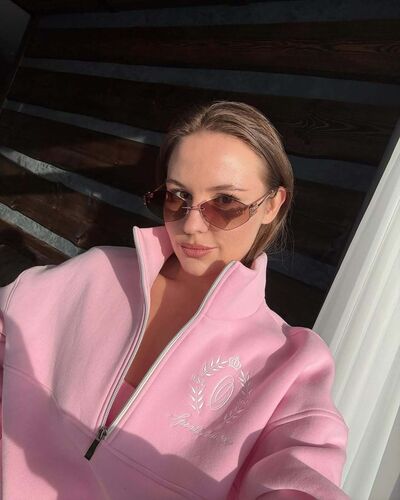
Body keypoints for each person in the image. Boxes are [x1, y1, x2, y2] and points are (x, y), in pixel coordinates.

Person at [0, 100, 349, 499]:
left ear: (272, 204)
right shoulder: (97, 273)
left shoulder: (290, 365)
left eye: (224, 202)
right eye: (178, 196)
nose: (191, 225)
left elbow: (301, 474)